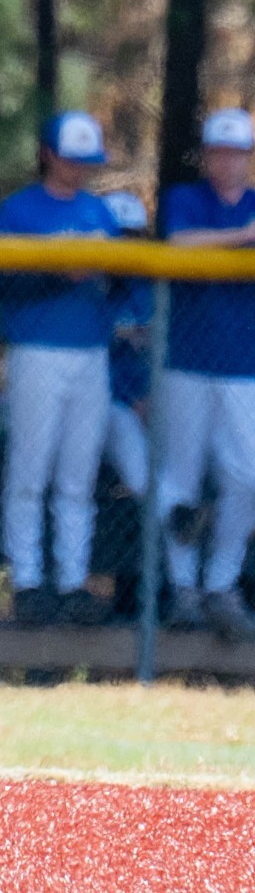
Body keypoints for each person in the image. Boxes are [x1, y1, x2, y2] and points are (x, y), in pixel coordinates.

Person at [0, 111, 121, 626]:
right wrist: (59, 269)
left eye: (86, 161)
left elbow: (119, 286)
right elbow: (1, 283)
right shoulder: (18, 210)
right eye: (70, 159)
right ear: (47, 155)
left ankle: (72, 581)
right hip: (37, 349)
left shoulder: (99, 212)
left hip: (90, 351)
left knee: (78, 475)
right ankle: (27, 580)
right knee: (30, 469)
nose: (78, 169)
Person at [154, 108, 255, 642]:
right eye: (219, 151)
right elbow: (179, 244)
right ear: (207, 155)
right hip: (187, 360)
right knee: (182, 479)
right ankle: (184, 588)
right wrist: (243, 235)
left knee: (249, 475)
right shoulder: (186, 200)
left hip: (243, 363)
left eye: (237, 153)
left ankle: (221, 583)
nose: (227, 161)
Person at [100, 191, 152, 503]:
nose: (124, 245)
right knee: (141, 478)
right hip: (113, 402)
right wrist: (134, 399)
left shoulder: (150, 287)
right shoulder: (88, 289)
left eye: (132, 236)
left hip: (155, 398)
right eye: (117, 236)